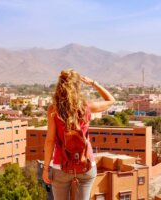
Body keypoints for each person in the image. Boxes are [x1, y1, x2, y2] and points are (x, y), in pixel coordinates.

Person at [43, 69, 115, 200]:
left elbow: (50, 141)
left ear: (60, 86)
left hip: (61, 166)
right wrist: (93, 83)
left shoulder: (53, 110)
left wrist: (46, 168)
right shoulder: (86, 107)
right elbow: (111, 100)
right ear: (78, 87)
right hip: (86, 164)